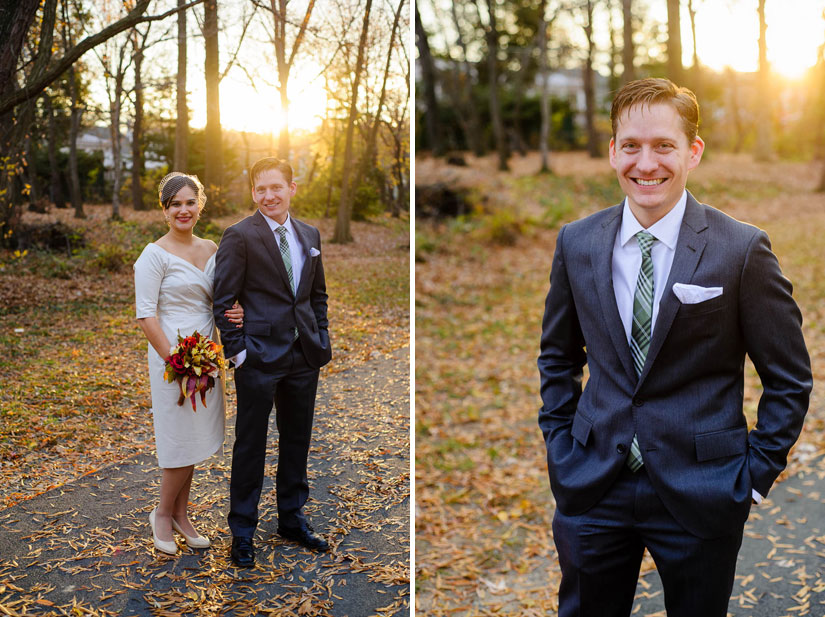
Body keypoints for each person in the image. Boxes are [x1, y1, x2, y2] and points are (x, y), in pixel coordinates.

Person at [537, 78, 812, 617]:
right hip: (592, 482)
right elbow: (558, 356)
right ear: (613, 151)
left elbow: (788, 377)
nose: (647, 163)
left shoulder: (741, 249)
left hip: (703, 488)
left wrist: (754, 475)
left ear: (693, 152)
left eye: (663, 145)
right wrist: (560, 444)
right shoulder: (578, 241)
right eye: (632, 146)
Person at [213, 157, 332, 567]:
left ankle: (291, 519)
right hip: (259, 358)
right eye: (260, 189)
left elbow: (317, 296)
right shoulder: (239, 236)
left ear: (291, 188)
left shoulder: (309, 234)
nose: (268, 196)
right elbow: (223, 299)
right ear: (253, 193)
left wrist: (323, 339)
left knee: (297, 439)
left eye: (275, 187)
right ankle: (242, 531)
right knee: (250, 444)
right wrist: (239, 352)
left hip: (303, 355)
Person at [135, 172, 243, 556]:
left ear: (200, 205)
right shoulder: (153, 255)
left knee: (194, 438)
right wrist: (176, 361)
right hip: (171, 357)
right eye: (174, 204)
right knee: (178, 438)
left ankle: (182, 514)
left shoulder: (212, 248)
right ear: (164, 211)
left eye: (189, 202)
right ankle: (162, 514)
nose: (183, 209)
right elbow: (147, 316)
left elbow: (223, 299)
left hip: (206, 356)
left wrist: (238, 313)